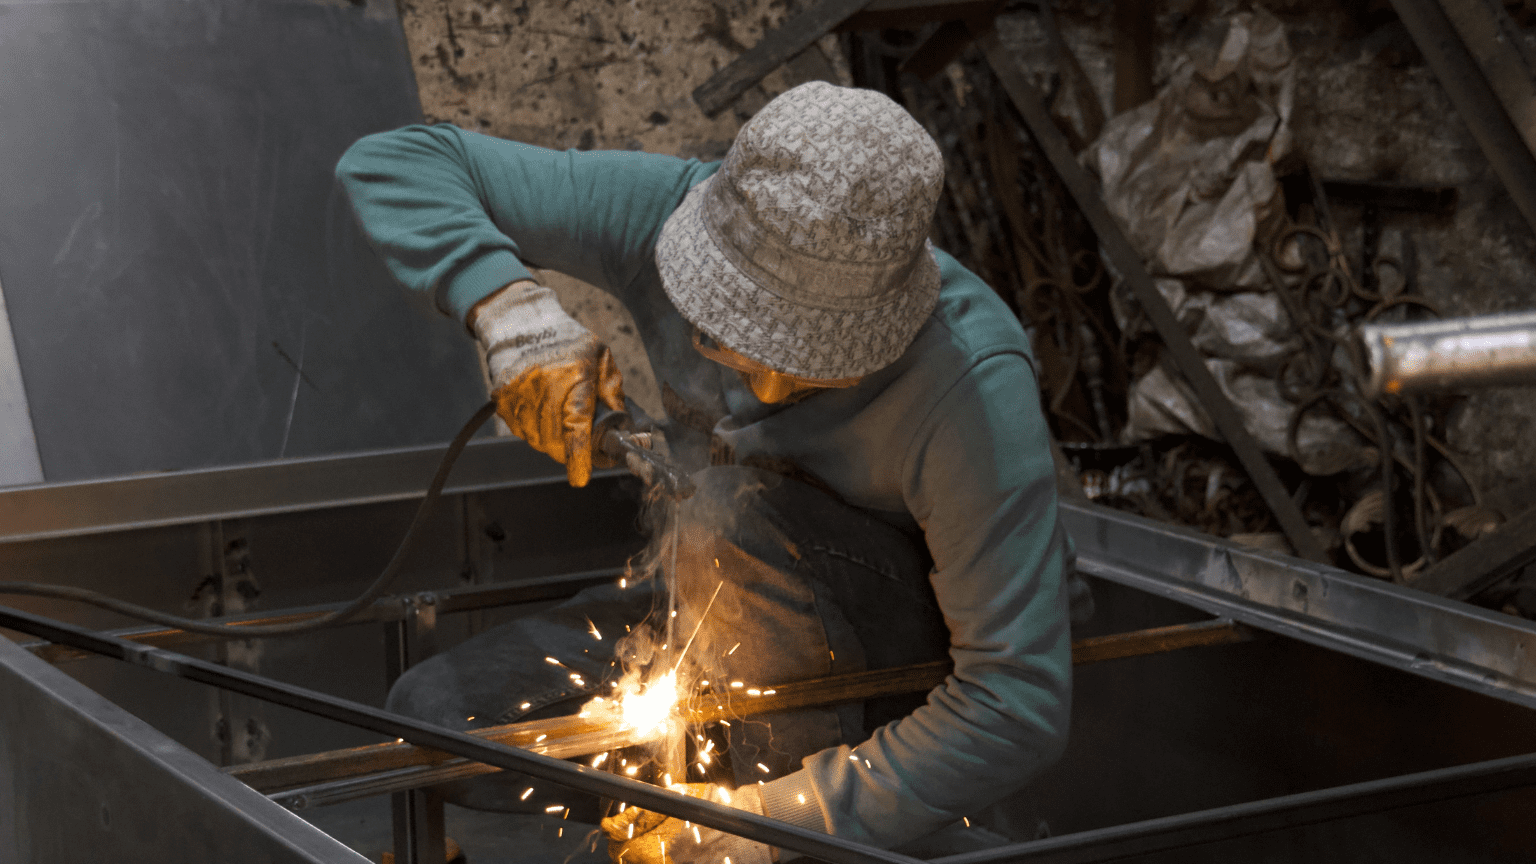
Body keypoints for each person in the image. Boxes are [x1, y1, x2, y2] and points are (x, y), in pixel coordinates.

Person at [336, 81, 1073, 863]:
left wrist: (759, 830)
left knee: (735, 505)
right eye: (736, 344)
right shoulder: (659, 208)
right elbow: (394, 161)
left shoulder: (972, 382)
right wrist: (509, 307)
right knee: (443, 718)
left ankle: (811, 828)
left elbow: (1015, 702)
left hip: (893, 671)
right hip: (718, 611)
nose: (766, 394)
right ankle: (707, 802)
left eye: (818, 369)